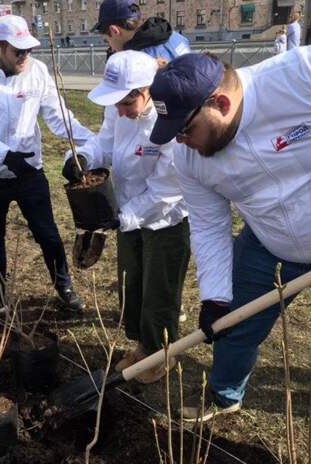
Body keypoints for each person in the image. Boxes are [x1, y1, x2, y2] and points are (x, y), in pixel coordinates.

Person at [149, 46, 311, 463]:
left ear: (221, 103)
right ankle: (223, 395)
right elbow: (208, 224)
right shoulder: (190, 156)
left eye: (184, 129)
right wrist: (216, 295)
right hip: (269, 243)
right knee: (233, 327)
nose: (180, 142)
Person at [0, 15, 93, 313]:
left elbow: (58, 116)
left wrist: (92, 142)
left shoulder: (37, 70)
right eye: (18, 51)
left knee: (47, 233)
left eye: (28, 49)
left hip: (29, 171)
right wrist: (4, 155)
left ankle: (64, 285)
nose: (25, 57)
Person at [63, 51, 190, 383]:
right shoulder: (118, 110)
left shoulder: (170, 125)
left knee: (159, 290)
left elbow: (166, 191)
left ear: (146, 91)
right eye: (115, 103)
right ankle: (141, 345)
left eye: (125, 104)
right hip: (126, 214)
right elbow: (104, 143)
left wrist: (125, 217)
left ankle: (162, 353)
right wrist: (82, 158)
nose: (118, 110)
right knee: (130, 282)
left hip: (165, 220)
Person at [91, 0, 190, 60]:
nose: (111, 48)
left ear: (114, 31)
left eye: (107, 41)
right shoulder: (174, 36)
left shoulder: (136, 63)